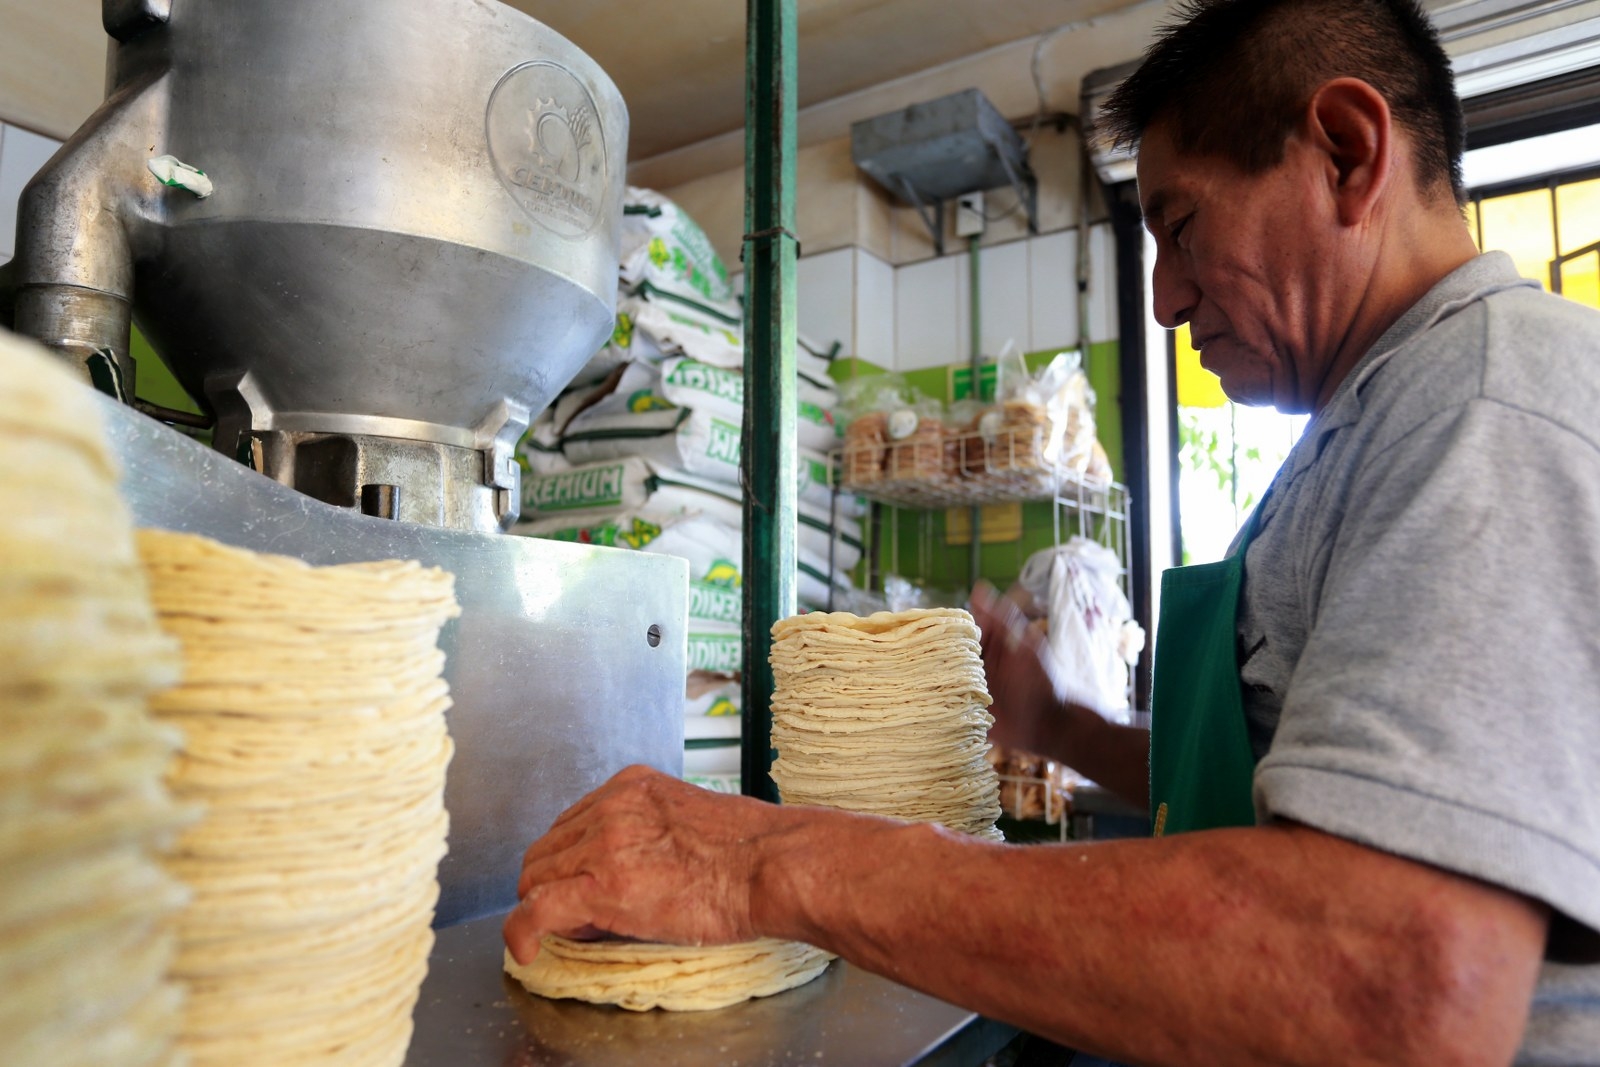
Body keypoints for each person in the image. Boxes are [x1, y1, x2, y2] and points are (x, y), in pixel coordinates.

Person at [504, 1, 1600, 1062]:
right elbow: (1264, 789)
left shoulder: (1480, 407)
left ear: (1349, 153)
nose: (1164, 297)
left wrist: (761, 864)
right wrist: (1056, 723)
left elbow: (1402, 980)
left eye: (1177, 226)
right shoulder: (1358, 429)